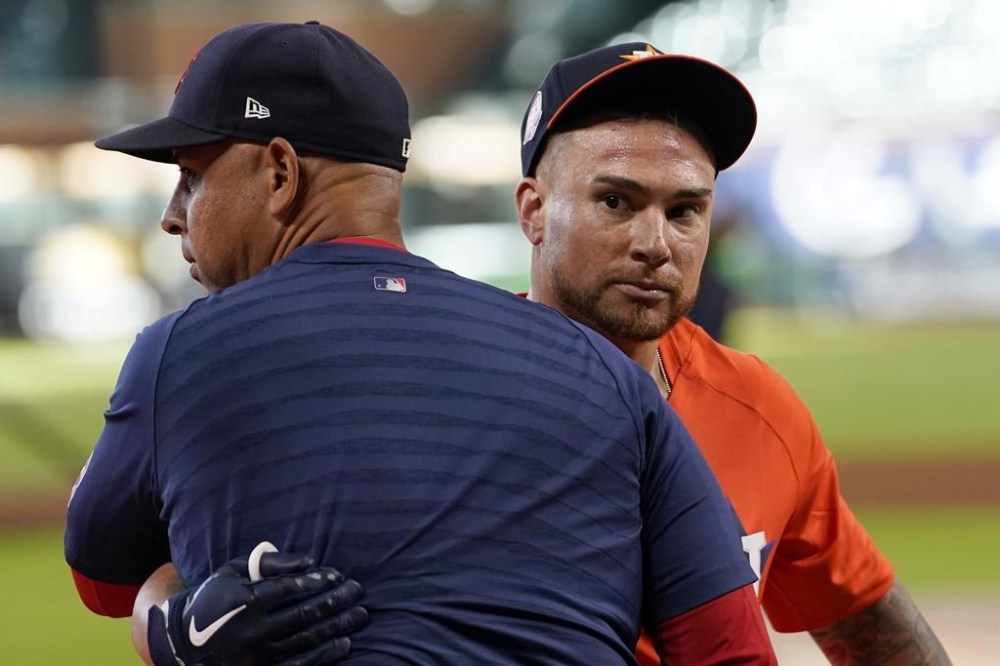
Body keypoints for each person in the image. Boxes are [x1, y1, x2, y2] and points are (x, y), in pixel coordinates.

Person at [64, 21, 776, 665]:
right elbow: (729, 646)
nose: (172, 215)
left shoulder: (182, 351)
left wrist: (162, 629)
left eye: (191, 177)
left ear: (280, 174)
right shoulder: (607, 372)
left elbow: (101, 581)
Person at [513, 42, 950, 665]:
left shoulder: (758, 408)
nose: (655, 244)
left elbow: (866, 620)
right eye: (616, 202)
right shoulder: (443, 393)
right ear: (534, 210)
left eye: (685, 210)